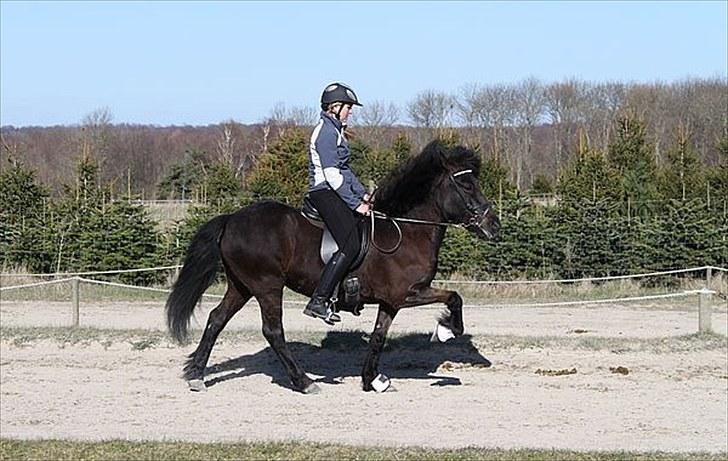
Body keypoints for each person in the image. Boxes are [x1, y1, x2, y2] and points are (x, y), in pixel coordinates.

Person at [303, 82, 371, 324]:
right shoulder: (326, 133)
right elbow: (332, 176)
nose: (350, 112)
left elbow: (345, 170)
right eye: (348, 107)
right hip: (324, 192)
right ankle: (319, 300)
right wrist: (355, 204)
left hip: (334, 189)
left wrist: (363, 194)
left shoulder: (336, 131)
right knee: (350, 244)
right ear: (335, 107)